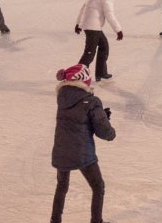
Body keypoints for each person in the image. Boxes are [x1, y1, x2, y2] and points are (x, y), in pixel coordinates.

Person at [50, 64, 115, 223]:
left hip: (61, 150)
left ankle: (55, 220)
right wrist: (106, 123)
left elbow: (78, 119)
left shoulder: (62, 98)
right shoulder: (91, 101)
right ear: (84, 80)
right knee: (98, 186)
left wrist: (99, 116)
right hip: (82, 152)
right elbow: (104, 132)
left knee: (62, 186)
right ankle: (96, 221)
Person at [75, 0, 123, 82]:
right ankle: (76, 76)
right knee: (89, 53)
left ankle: (101, 73)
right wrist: (118, 30)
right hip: (93, 26)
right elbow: (109, 13)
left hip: (90, 24)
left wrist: (79, 23)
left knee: (103, 46)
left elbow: (83, 8)